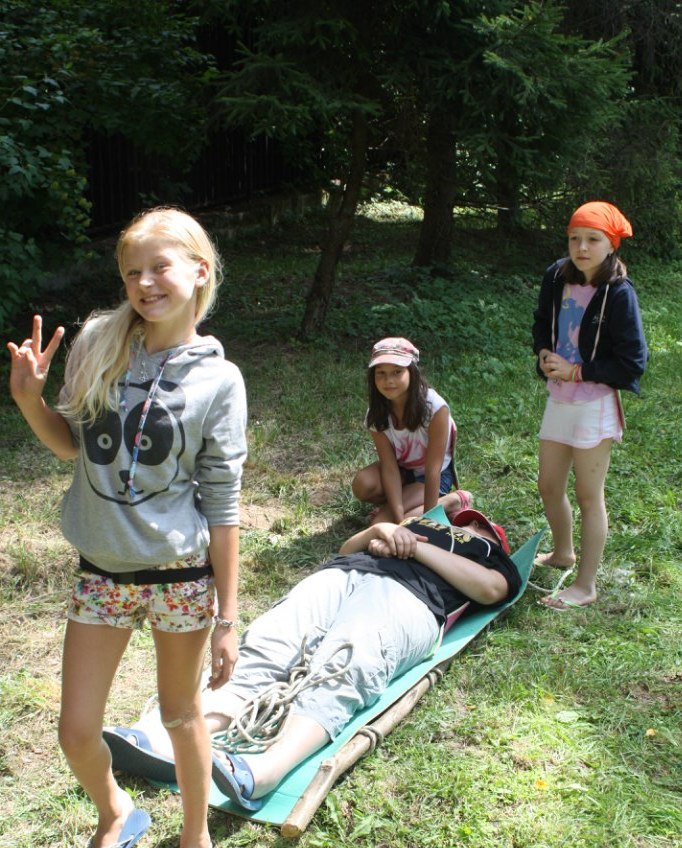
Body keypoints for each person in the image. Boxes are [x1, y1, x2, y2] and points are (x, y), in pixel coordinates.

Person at [7, 207, 247, 848]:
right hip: (103, 572)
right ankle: (116, 812)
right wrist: (28, 399)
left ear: (199, 271)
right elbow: (71, 445)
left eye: (159, 267)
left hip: (179, 577)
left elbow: (223, 503)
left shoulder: (219, 379)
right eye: (132, 271)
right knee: (76, 730)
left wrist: (228, 617)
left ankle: (196, 841)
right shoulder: (99, 344)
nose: (145, 283)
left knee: (181, 715)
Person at [103, 493, 521, 808]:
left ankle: (263, 771)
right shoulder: (417, 525)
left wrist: (417, 547)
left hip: (410, 598)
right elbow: (347, 549)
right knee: (268, 644)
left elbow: (491, 589)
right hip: (343, 574)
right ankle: (160, 738)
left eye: (478, 527)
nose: (468, 526)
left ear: (493, 541)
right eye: (463, 522)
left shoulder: (487, 557)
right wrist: (379, 532)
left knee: (345, 662)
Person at [532, 201, 647, 610]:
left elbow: (633, 361)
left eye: (593, 240)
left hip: (594, 404)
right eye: (574, 238)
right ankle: (563, 552)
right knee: (548, 486)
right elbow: (542, 322)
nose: (582, 247)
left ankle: (585, 585)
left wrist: (577, 372)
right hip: (559, 399)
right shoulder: (555, 276)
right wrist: (543, 353)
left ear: (611, 244)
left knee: (587, 495)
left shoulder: (618, 293)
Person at [351, 338, 468, 525]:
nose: (388, 380)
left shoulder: (435, 408)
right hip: (403, 472)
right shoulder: (376, 413)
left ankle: (452, 501)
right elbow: (389, 467)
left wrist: (429, 519)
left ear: (412, 372)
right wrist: (398, 519)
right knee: (363, 485)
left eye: (397, 372)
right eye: (381, 373)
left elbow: (433, 469)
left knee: (381, 523)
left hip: (433, 477)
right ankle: (403, 506)